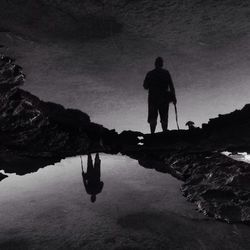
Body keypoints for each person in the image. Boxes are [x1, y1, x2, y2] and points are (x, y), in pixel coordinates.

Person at [143, 57, 177, 133]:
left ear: (155, 64)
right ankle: (164, 133)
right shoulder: (166, 73)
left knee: (153, 117)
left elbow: (145, 86)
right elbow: (171, 86)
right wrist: (174, 97)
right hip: (164, 98)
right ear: (162, 64)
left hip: (153, 99)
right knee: (164, 117)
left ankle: (152, 134)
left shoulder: (150, 74)